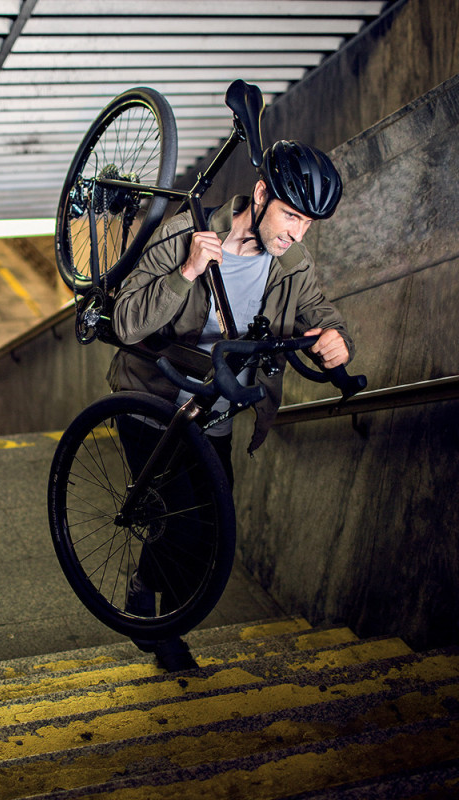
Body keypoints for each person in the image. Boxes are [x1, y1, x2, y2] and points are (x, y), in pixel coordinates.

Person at [106, 140, 355, 670]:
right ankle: (169, 638)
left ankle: (146, 584)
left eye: (308, 223)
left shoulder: (292, 261)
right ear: (261, 195)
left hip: (212, 411)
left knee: (210, 529)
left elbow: (320, 310)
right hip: (152, 398)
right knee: (184, 525)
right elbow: (127, 321)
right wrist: (187, 273)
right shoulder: (183, 235)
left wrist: (335, 337)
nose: (296, 231)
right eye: (291, 215)